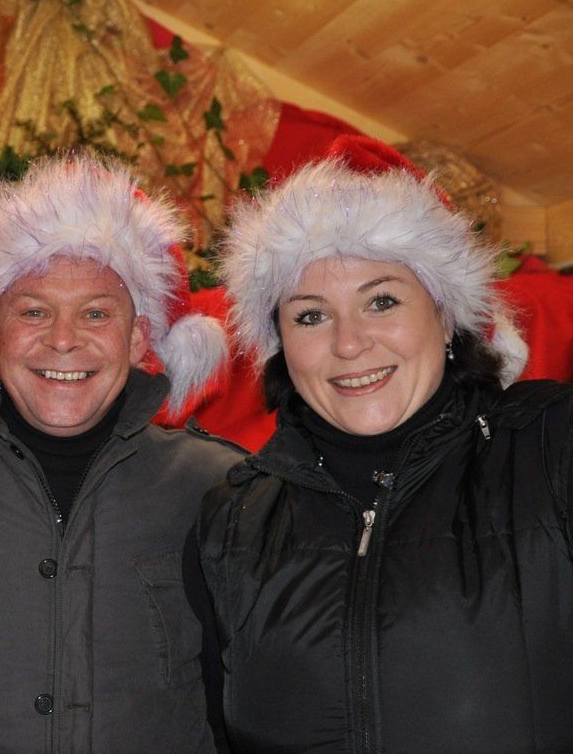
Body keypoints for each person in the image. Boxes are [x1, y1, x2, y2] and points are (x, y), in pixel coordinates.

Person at [189, 135, 573, 752]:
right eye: (311, 315)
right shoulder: (232, 521)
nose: (348, 343)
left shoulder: (548, 446)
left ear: (444, 316)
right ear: (281, 344)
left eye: (382, 301)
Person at [0, 154, 244, 752]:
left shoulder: (218, 487)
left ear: (138, 340)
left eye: (96, 313)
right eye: (33, 311)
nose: (62, 339)